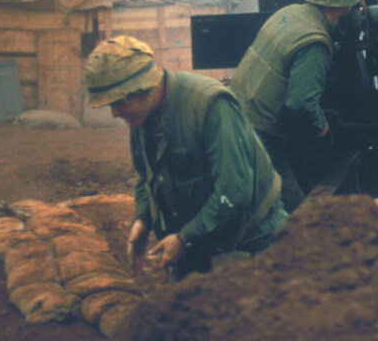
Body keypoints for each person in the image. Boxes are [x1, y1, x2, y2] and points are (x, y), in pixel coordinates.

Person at [83, 35, 287, 282]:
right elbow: (146, 177)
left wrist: (184, 237)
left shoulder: (210, 104)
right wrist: (142, 220)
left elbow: (234, 192)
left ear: (145, 87)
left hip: (253, 244)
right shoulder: (140, 115)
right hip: (199, 244)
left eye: (119, 102)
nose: (115, 113)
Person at [229, 0, 366, 213]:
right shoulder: (314, 42)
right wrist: (322, 128)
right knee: (294, 217)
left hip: (237, 114)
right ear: (348, 2)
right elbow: (300, 104)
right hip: (258, 136)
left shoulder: (289, 13)